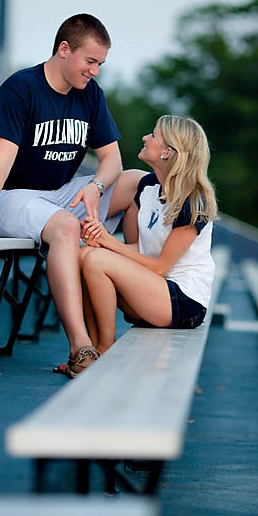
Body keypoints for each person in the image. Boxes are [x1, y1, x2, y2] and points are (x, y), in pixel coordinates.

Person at [0, 13, 144, 375]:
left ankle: (135, 282)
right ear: (64, 49)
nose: (95, 72)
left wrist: (95, 186)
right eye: (90, 61)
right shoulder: (21, 88)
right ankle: (80, 348)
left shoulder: (90, 95)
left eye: (100, 64)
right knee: (67, 226)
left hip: (56, 195)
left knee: (137, 181)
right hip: (7, 197)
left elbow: (112, 159)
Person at [68, 114, 218, 375]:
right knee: (84, 255)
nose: (145, 138)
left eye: (153, 135)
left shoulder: (194, 202)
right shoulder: (147, 187)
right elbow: (139, 251)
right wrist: (99, 242)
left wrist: (106, 241)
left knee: (96, 258)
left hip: (183, 301)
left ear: (167, 152)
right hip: (151, 289)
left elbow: (160, 267)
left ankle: (105, 349)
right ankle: (89, 352)